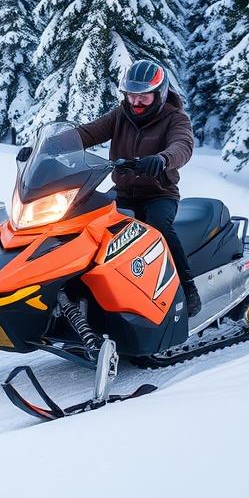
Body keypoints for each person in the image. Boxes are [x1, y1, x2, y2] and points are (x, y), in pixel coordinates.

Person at [78, 59, 201, 318]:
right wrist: (48, 146)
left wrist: (163, 159)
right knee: (88, 225)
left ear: (160, 93)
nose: (135, 103)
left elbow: (183, 146)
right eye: (131, 96)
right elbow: (88, 133)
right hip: (122, 193)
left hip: (158, 194)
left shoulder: (175, 119)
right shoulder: (121, 114)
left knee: (160, 228)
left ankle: (187, 290)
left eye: (143, 97)